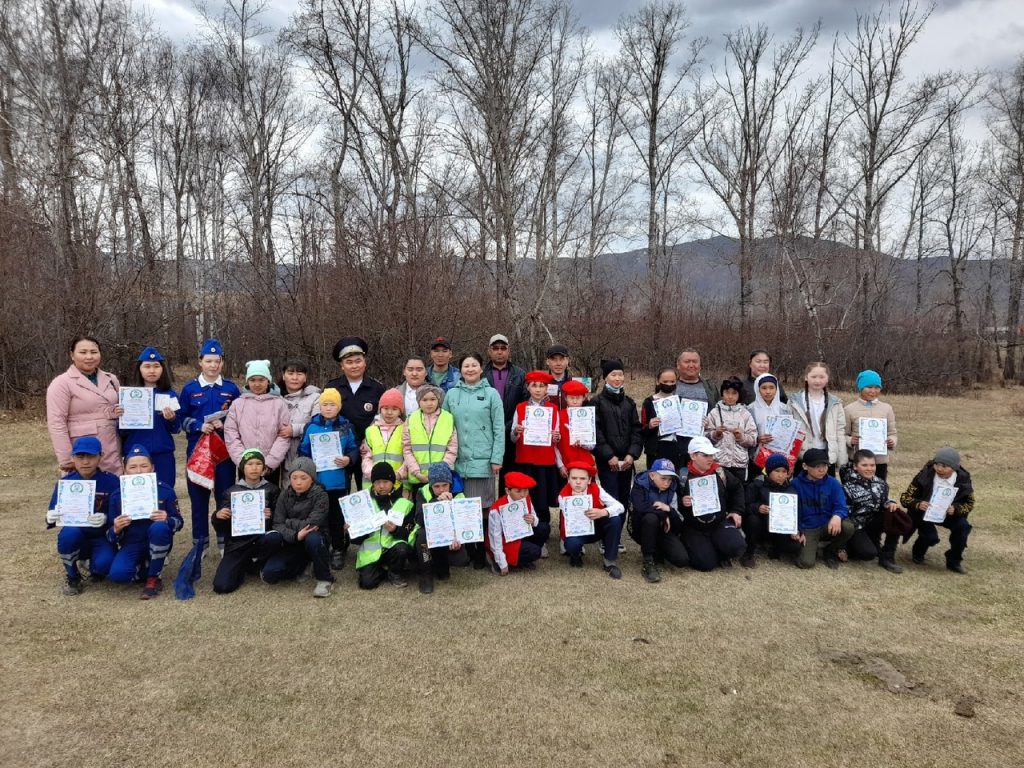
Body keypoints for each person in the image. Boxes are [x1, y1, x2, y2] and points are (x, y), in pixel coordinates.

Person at [179, 339, 241, 550]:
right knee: (198, 500)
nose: (213, 365)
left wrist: (224, 424)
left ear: (222, 362)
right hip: (198, 453)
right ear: (200, 362)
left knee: (224, 498)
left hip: (223, 454)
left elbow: (238, 416)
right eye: (209, 361)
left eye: (217, 361)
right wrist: (198, 425)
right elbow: (180, 419)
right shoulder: (190, 389)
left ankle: (225, 541)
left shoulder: (231, 389)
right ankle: (200, 544)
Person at [106, 445, 184, 599]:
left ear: (152, 468)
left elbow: (179, 523)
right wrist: (116, 528)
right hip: (131, 544)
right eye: (133, 467)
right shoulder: (117, 495)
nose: (139, 471)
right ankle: (148, 567)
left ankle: (153, 579)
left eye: (144, 466)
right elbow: (109, 535)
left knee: (159, 528)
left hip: (157, 539)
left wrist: (167, 520)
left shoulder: (165, 491)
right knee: (118, 575)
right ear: (125, 470)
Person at [45, 436, 119, 595]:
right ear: (73, 458)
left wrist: (106, 518)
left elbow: (120, 514)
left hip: (101, 536)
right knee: (68, 535)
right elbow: (53, 511)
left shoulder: (112, 482)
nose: (85, 462)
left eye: (91, 456)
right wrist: (50, 517)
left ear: (101, 456)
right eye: (80, 457)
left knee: (105, 565)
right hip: (76, 534)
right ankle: (72, 575)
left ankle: (93, 565)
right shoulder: (66, 483)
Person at [298, 387, 359, 569]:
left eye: (332, 404)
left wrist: (348, 459)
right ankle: (320, 548)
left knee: (336, 517)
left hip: (338, 481)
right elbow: (303, 450)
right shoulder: (311, 426)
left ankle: (338, 548)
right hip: (316, 481)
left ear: (339, 407)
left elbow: (354, 448)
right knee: (318, 517)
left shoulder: (346, 426)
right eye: (325, 404)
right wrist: (309, 464)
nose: (328, 408)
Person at [46, 335, 123, 476]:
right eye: (83, 352)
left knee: (112, 485)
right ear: (72, 355)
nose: (89, 357)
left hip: (112, 447)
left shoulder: (111, 379)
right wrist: (66, 458)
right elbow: (56, 423)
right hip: (82, 451)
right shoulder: (61, 383)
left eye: (94, 352)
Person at [260, 457, 334, 597]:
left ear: (312, 479)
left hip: (316, 539)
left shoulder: (321, 495)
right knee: (269, 574)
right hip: (292, 540)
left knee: (313, 537)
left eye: (303, 478)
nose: (298, 482)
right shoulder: (284, 495)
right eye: (294, 477)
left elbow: (312, 524)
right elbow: (277, 524)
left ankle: (324, 579)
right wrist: (295, 535)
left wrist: (288, 522)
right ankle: (303, 564)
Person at [210, 448, 280, 594]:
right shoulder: (231, 492)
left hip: (262, 539)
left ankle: (259, 563)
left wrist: (272, 515)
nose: (254, 468)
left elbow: (281, 519)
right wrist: (218, 516)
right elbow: (222, 527)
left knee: (274, 537)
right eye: (249, 464)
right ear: (242, 467)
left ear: (264, 467)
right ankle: (244, 565)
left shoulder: (272, 489)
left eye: (258, 464)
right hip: (238, 544)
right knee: (222, 586)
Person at [444, 352, 504, 513]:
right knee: (459, 508)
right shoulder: (451, 394)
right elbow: (444, 426)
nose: (470, 369)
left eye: (474, 365)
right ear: (460, 370)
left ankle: (484, 531)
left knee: (482, 507)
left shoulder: (491, 394)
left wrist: (496, 458)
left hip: (482, 462)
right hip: (457, 461)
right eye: (466, 366)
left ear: (481, 368)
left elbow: (499, 429)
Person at [324, 336, 386, 489]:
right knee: (338, 493)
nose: (354, 366)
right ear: (342, 366)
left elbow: (383, 419)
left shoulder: (377, 388)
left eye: (358, 361)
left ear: (365, 362)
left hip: (368, 451)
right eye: (349, 362)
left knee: (368, 493)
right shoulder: (332, 388)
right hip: (340, 451)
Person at [677, 436, 746, 572]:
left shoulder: (720, 472)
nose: (710, 459)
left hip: (718, 522)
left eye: (712, 455)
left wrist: (736, 511)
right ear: (693, 456)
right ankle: (703, 548)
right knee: (705, 564)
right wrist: (682, 501)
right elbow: (672, 499)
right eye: (705, 455)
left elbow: (737, 488)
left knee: (737, 547)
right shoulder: (681, 476)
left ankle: (719, 548)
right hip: (693, 527)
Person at [901, 447, 974, 574]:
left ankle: (954, 561)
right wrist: (918, 504)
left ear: (954, 467)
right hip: (924, 513)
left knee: (963, 527)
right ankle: (918, 552)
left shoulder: (963, 480)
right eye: (937, 464)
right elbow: (905, 498)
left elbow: (969, 503)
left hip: (949, 514)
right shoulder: (924, 476)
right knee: (931, 537)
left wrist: (956, 509)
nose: (939, 468)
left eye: (944, 466)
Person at [510, 370, 561, 544]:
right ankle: (525, 534)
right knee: (525, 498)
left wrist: (556, 436)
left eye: (542, 386)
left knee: (542, 500)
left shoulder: (553, 409)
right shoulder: (520, 407)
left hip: (544, 461)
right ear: (528, 388)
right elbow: (513, 437)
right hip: (525, 459)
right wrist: (516, 432)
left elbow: (556, 436)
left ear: (547, 389)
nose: (538, 389)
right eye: (534, 386)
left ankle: (542, 536)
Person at [120, 346, 181, 488]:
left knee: (164, 491)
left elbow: (177, 428)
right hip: (136, 455)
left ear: (162, 369)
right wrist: (121, 417)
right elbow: (121, 431)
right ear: (139, 369)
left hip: (163, 454)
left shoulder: (170, 394)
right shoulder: (128, 395)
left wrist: (172, 419)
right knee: (137, 492)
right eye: (147, 366)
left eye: (156, 366)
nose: (152, 371)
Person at [223, 360, 291, 484]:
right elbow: (231, 433)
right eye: (253, 380)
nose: (257, 384)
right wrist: (243, 460)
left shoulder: (279, 404)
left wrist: (270, 463)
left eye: (261, 380)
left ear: (268, 381)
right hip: (246, 465)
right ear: (247, 381)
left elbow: (283, 435)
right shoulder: (238, 404)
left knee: (270, 495)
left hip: (270, 467)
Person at [351, 462, 416, 589]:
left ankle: (394, 573)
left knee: (402, 548)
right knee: (367, 584)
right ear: (373, 484)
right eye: (377, 482)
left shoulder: (405, 504)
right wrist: (352, 530)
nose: (381, 486)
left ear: (393, 482)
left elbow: (410, 533)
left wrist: (395, 530)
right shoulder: (364, 505)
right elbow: (356, 540)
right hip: (371, 552)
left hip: (394, 549)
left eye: (386, 482)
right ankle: (383, 570)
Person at [841, 450, 907, 574]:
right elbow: (844, 516)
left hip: (873, 523)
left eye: (872, 465)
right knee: (868, 554)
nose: (869, 469)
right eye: (864, 465)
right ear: (855, 466)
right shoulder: (847, 486)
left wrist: (891, 503)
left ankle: (887, 557)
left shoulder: (881, 483)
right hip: (856, 527)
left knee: (895, 514)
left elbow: (884, 501)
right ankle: (850, 546)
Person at [557, 460, 625, 578]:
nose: (578, 482)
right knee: (572, 544)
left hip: (596, 527)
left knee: (615, 519)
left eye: (582, 478)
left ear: (589, 480)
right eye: (574, 478)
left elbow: (620, 507)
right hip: (576, 531)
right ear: (568, 479)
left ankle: (609, 561)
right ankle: (575, 554)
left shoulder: (597, 489)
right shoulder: (563, 495)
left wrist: (603, 512)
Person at [789, 448, 854, 569]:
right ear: (805, 466)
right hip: (808, 528)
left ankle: (830, 550)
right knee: (806, 563)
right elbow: (792, 510)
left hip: (828, 524)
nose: (822, 469)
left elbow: (841, 505)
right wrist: (797, 529)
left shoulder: (833, 483)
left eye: (824, 465)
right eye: (816, 466)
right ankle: (810, 548)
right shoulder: (795, 484)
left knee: (848, 527)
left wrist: (837, 516)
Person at [628, 459, 689, 583]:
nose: (667, 483)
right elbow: (640, 508)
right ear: (652, 475)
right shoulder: (639, 484)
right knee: (651, 518)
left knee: (681, 560)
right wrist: (663, 515)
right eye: (663, 478)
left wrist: (669, 510)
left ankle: (658, 550)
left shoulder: (673, 489)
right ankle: (648, 561)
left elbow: (678, 522)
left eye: (670, 479)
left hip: (663, 530)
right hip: (640, 527)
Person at [593, 358, 642, 513]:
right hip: (607, 462)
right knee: (610, 498)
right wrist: (608, 455)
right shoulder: (596, 402)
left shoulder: (629, 403)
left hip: (626, 461)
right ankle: (610, 528)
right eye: (613, 375)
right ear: (605, 377)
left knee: (624, 497)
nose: (617, 378)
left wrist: (632, 454)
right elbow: (595, 431)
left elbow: (637, 430)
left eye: (620, 374)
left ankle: (620, 527)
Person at [414, 463, 468, 594]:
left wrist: (458, 539)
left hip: (448, 535)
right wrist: (436, 502)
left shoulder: (459, 494)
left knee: (461, 560)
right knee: (422, 536)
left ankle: (440, 562)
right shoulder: (422, 492)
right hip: (427, 534)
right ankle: (426, 574)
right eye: (436, 486)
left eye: (445, 485)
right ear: (431, 485)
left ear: (450, 483)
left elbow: (464, 523)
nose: (441, 489)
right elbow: (420, 520)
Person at [483, 334, 527, 492]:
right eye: (495, 348)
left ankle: (508, 505)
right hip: (487, 433)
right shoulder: (481, 374)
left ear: (509, 351)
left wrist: (508, 426)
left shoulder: (520, 374)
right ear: (489, 351)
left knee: (510, 478)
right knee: (486, 478)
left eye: (503, 348)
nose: (499, 351)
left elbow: (524, 403)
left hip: (511, 433)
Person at [743, 452, 802, 567]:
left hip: (779, 528)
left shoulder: (791, 490)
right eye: (777, 471)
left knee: (795, 546)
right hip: (760, 526)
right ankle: (748, 553)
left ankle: (775, 548)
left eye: (784, 471)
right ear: (769, 471)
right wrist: (758, 508)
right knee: (753, 520)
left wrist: (797, 529)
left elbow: (797, 512)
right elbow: (745, 506)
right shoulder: (757, 485)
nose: (780, 475)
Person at [486, 471, 551, 575]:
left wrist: (533, 520)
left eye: (526, 490)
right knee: (535, 551)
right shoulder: (497, 509)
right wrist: (501, 562)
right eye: (518, 491)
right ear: (508, 491)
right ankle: (497, 560)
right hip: (505, 541)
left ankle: (523, 558)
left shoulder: (527, 498)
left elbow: (534, 517)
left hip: (521, 534)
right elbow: (495, 536)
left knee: (544, 528)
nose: (523, 495)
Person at [789, 361, 847, 476]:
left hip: (827, 454)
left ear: (827, 379)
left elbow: (840, 431)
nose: (817, 380)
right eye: (813, 376)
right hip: (803, 454)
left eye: (821, 377)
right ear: (806, 377)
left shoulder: (835, 403)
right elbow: (789, 432)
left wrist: (842, 460)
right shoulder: (793, 402)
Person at [402, 385, 458, 498]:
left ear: (438, 400)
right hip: (418, 478)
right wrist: (416, 472)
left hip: (441, 481)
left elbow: (452, 448)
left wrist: (441, 472)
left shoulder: (448, 418)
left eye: (433, 399)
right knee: (420, 506)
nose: (429, 403)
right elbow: (407, 449)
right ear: (419, 401)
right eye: (425, 400)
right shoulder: (411, 418)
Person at [844, 369, 898, 480]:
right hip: (858, 461)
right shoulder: (849, 409)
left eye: (877, 387)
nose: (873, 391)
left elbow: (892, 432)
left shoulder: (887, 408)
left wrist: (892, 441)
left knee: (879, 489)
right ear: (860, 388)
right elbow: (843, 434)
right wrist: (850, 440)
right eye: (869, 387)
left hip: (879, 461)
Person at [704, 376, 757, 483]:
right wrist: (716, 434)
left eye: (734, 393)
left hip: (739, 463)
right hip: (718, 462)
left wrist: (741, 437)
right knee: (720, 490)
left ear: (739, 395)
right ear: (722, 393)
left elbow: (753, 439)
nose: (730, 396)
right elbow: (705, 436)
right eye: (727, 392)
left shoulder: (745, 414)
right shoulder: (714, 413)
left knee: (738, 490)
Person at [278, 359, 321, 473]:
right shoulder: (274, 398)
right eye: (290, 373)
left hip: (304, 454)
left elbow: (318, 425)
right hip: (277, 455)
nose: (295, 378)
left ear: (305, 377)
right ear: (283, 376)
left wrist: (294, 430)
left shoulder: (315, 398)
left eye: (299, 374)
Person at [360, 388, 407, 488]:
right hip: (374, 484)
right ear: (380, 409)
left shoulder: (405, 430)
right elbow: (367, 456)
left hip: (398, 483)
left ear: (400, 411)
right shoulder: (370, 430)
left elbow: (408, 457)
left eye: (394, 409)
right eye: (385, 408)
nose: (389, 412)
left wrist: (398, 474)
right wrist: (373, 474)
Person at [674, 348, 718, 454]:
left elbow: (718, 413)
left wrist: (711, 423)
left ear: (700, 365)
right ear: (678, 365)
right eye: (687, 361)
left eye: (695, 361)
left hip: (703, 445)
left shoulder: (710, 388)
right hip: (676, 444)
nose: (691, 365)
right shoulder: (671, 386)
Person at [639, 367, 684, 469]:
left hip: (676, 448)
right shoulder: (649, 402)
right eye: (665, 381)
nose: (669, 384)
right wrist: (649, 425)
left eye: (672, 381)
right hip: (655, 449)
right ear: (658, 381)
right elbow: (642, 429)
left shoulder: (681, 401)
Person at [556, 379, 595, 473]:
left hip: (585, 463)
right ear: (565, 398)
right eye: (571, 398)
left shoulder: (589, 415)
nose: (574, 401)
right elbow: (555, 445)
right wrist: (560, 465)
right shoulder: (559, 415)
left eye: (578, 398)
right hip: (566, 462)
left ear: (583, 398)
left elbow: (592, 445)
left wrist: (583, 442)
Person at [544, 344, 574, 410]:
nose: (558, 363)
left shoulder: (574, 383)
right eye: (554, 359)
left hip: (568, 416)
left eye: (562, 359)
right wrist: (539, 401)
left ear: (567, 361)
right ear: (547, 361)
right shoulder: (541, 384)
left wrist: (584, 399)